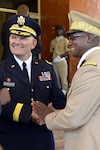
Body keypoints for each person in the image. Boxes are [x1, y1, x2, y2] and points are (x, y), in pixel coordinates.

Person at [31, 10, 100, 150]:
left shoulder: (91, 69)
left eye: (74, 38)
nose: (69, 43)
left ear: (89, 37)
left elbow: (73, 118)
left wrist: (48, 116)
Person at [0, 14, 66, 150]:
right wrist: (29, 113)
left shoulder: (46, 68)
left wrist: (53, 111)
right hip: (13, 139)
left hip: (42, 138)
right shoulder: (2, 69)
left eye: (23, 38)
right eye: (13, 37)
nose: (16, 42)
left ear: (34, 43)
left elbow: (58, 99)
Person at [50, 25, 70, 95]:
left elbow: (68, 52)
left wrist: (60, 56)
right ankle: (58, 93)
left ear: (63, 31)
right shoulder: (53, 41)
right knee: (56, 78)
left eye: (60, 30)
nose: (59, 31)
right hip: (54, 61)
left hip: (61, 61)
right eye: (57, 30)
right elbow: (52, 51)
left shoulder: (65, 40)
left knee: (63, 78)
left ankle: (64, 92)